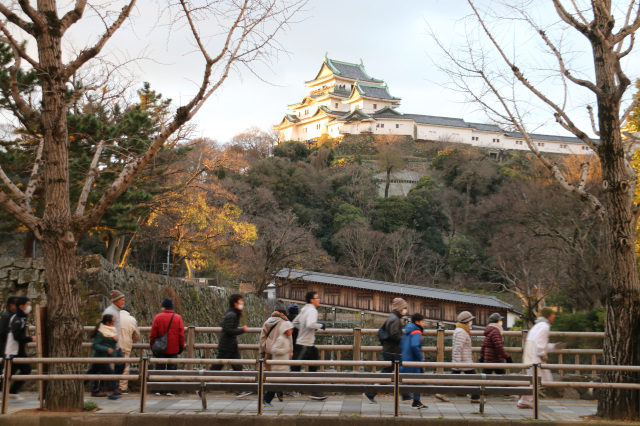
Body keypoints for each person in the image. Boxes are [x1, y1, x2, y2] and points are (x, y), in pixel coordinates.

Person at [517, 307, 565, 409]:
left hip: (531, 354)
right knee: (541, 380)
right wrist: (543, 354)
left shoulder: (538, 325)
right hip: (535, 356)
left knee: (539, 380)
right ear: (549, 316)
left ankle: (524, 397)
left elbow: (540, 343)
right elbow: (539, 343)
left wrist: (553, 346)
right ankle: (523, 397)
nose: (554, 317)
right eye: (553, 315)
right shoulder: (544, 326)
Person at [364, 297, 407, 404]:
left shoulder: (392, 317)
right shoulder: (395, 320)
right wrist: (405, 340)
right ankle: (370, 392)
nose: (405, 310)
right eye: (404, 308)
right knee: (390, 373)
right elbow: (394, 335)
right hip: (393, 351)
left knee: (393, 373)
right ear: (400, 308)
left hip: (390, 350)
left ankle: (406, 394)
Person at [211, 294, 251, 398]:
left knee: (237, 367)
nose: (242, 303)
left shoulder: (233, 313)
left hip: (230, 345)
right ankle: (201, 386)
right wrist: (242, 330)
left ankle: (240, 390)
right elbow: (228, 330)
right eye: (240, 301)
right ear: (235, 303)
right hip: (227, 346)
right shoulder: (232, 315)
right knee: (216, 368)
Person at [292, 291, 327, 400]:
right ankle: (279, 388)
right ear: (312, 300)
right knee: (295, 368)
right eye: (317, 298)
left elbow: (295, 323)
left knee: (308, 367)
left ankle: (314, 391)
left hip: (305, 343)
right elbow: (310, 324)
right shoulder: (312, 310)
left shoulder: (304, 309)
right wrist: (321, 325)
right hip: (305, 344)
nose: (319, 300)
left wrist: (303, 330)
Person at [150, 298, 185, 396]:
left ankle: (158, 389)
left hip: (161, 348)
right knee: (172, 369)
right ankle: (170, 390)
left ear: (163, 307)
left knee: (160, 368)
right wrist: (181, 346)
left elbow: (153, 333)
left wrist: (152, 344)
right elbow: (181, 335)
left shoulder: (157, 317)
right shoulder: (178, 318)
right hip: (173, 348)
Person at [4, 297, 36, 400]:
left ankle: (12, 391)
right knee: (13, 372)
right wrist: (30, 338)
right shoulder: (16, 318)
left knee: (16, 371)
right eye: (27, 304)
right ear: (21, 306)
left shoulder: (21, 317)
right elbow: (16, 336)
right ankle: (10, 392)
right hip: (13, 350)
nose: (29, 307)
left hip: (18, 350)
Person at [259, 305, 291, 402]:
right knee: (280, 373)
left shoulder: (267, 322)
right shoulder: (285, 323)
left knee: (268, 374)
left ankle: (269, 393)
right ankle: (279, 392)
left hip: (269, 350)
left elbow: (262, 338)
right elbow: (289, 338)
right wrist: (291, 351)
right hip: (281, 353)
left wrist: (262, 351)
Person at [87, 314, 122, 400]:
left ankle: (80, 385)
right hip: (100, 357)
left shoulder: (110, 331)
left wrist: (114, 341)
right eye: (112, 321)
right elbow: (95, 345)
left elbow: (109, 344)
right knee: (110, 373)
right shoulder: (101, 332)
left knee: (92, 373)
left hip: (104, 357)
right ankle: (113, 390)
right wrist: (106, 349)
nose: (114, 323)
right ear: (108, 323)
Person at [399, 313, 428, 410]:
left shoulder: (408, 330)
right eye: (423, 321)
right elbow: (415, 345)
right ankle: (416, 401)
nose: (424, 324)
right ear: (417, 322)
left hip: (405, 358)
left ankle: (407, 395)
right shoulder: (416, 331)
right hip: (414, 360)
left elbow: (402, 344)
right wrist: (421, 357)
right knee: (418, 381)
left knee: (408, 380)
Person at [263, 321, 294, 407]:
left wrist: (289, 353)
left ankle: (268, 398)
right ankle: (266, 399)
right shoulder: (281, 339)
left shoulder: (286, 339)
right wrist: (286, 351)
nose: (291, 331)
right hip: (278, 367)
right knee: (275, 385)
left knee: (277, 385)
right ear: (285, 330)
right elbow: (274, 350)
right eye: (290, 330)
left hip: (283, 366)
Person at [452, 311, 480, 403]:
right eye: (471, 320)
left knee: (452, 377)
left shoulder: (460, 330)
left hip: (462, 359)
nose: (471, 321)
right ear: (467, 321)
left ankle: (441, 392)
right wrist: (457, 361)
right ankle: (475, 397)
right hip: (464, 360)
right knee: (474, 379)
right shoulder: (462, 332)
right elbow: (458, 347)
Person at [118, 305, 141, 394]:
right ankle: (122, 388)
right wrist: (131, 340)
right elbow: (137, 336)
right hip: (126, 345)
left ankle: (111, 386)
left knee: (112, 365)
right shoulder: (132, 319)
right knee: (125, 366)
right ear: (129, 312)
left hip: (114, 344)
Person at [103, 290, 126, 377]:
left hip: (114, 344)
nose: (123, 302)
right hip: (110, 344)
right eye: (122, 300)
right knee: (117, 364)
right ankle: (111, 384)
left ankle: (111, 384)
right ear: (116, 300)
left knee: (107, 366)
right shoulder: (111, 312)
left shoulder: (115, 311)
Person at [0, 296, 17, 379]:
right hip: (4, 346)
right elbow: (2, 331)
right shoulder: (6, 316)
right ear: (11, 305)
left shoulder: (13, 315)